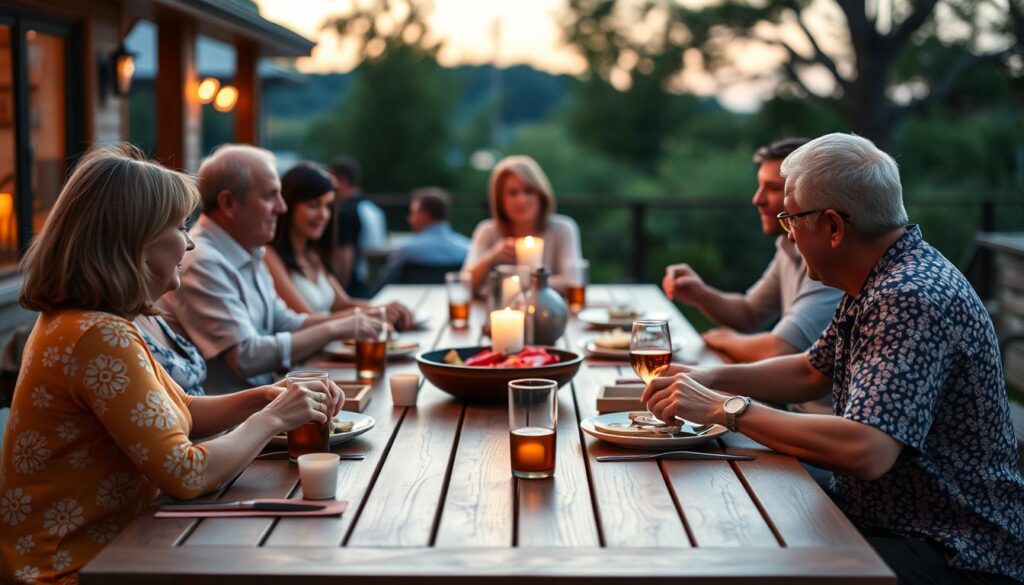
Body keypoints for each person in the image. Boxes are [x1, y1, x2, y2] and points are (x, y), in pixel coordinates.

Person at [642, 133, 1024, 585]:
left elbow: (867, 449)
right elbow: (810, 371)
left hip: (951, 546)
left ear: (833, 227)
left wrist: (724, 408)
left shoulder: (908, 295)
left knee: (742, 556)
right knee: (726, 521)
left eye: (790, 219)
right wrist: (709, 376)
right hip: (889, 517)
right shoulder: (878, 275)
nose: (787, 234)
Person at [0, 144, 344, 583]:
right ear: (135, 239)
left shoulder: (88, 322)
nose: (190, 240)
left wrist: (266, 398)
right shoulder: (97, 335)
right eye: (179, 226)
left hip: (120, 549)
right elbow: (186, 472)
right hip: (73, 569)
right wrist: (273, 418)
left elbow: (178, 408)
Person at [160, 145, 405, 395]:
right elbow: (245, 357)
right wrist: (339, 327)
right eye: (270, 196)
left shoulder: (249, 251)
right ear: (229, 203)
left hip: (268, 406)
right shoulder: (202, 259)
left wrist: (356, 320)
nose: (282, 208)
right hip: (234, 424)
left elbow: (285, 321)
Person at [662, 138, 843, 383]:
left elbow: (778, 349)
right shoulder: (788, 246)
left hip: (816, 417)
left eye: (772, 188)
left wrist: (725, 339)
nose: (757, 199)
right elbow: (749, 314)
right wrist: (699, 294)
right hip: (796, 410)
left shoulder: (828, 259)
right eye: (760, 186)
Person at [264, 162, 413, 320]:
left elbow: (342, 304)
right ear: (287, 205)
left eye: (328, 206)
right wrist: (377, 313)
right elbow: (307, 320)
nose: (323, 215)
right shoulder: (269, 255)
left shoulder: (312, 252)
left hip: (334, 342)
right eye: (313, 205)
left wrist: (386, 308)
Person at [462, 155, 582, 293]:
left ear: (541, 195)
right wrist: (492, 256)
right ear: (500, 200)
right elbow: (465, 282)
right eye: (512, 193)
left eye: (529, 191)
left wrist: (526, 282)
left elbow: (573, 280)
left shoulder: (563, 228)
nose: (521, 200)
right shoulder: (487, 231)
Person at [374, 187, 471, 287]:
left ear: (425, 215)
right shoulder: (467, 249)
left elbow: (383, 285)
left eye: (413, 213)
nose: (409, 219)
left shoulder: (406, 250)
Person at [328, 157, 386, 298]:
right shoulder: (372, 208)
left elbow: (345, 257)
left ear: (341, 181)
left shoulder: (345, 213)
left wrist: (341, 292)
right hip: (374, 281)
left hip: (353, 285)